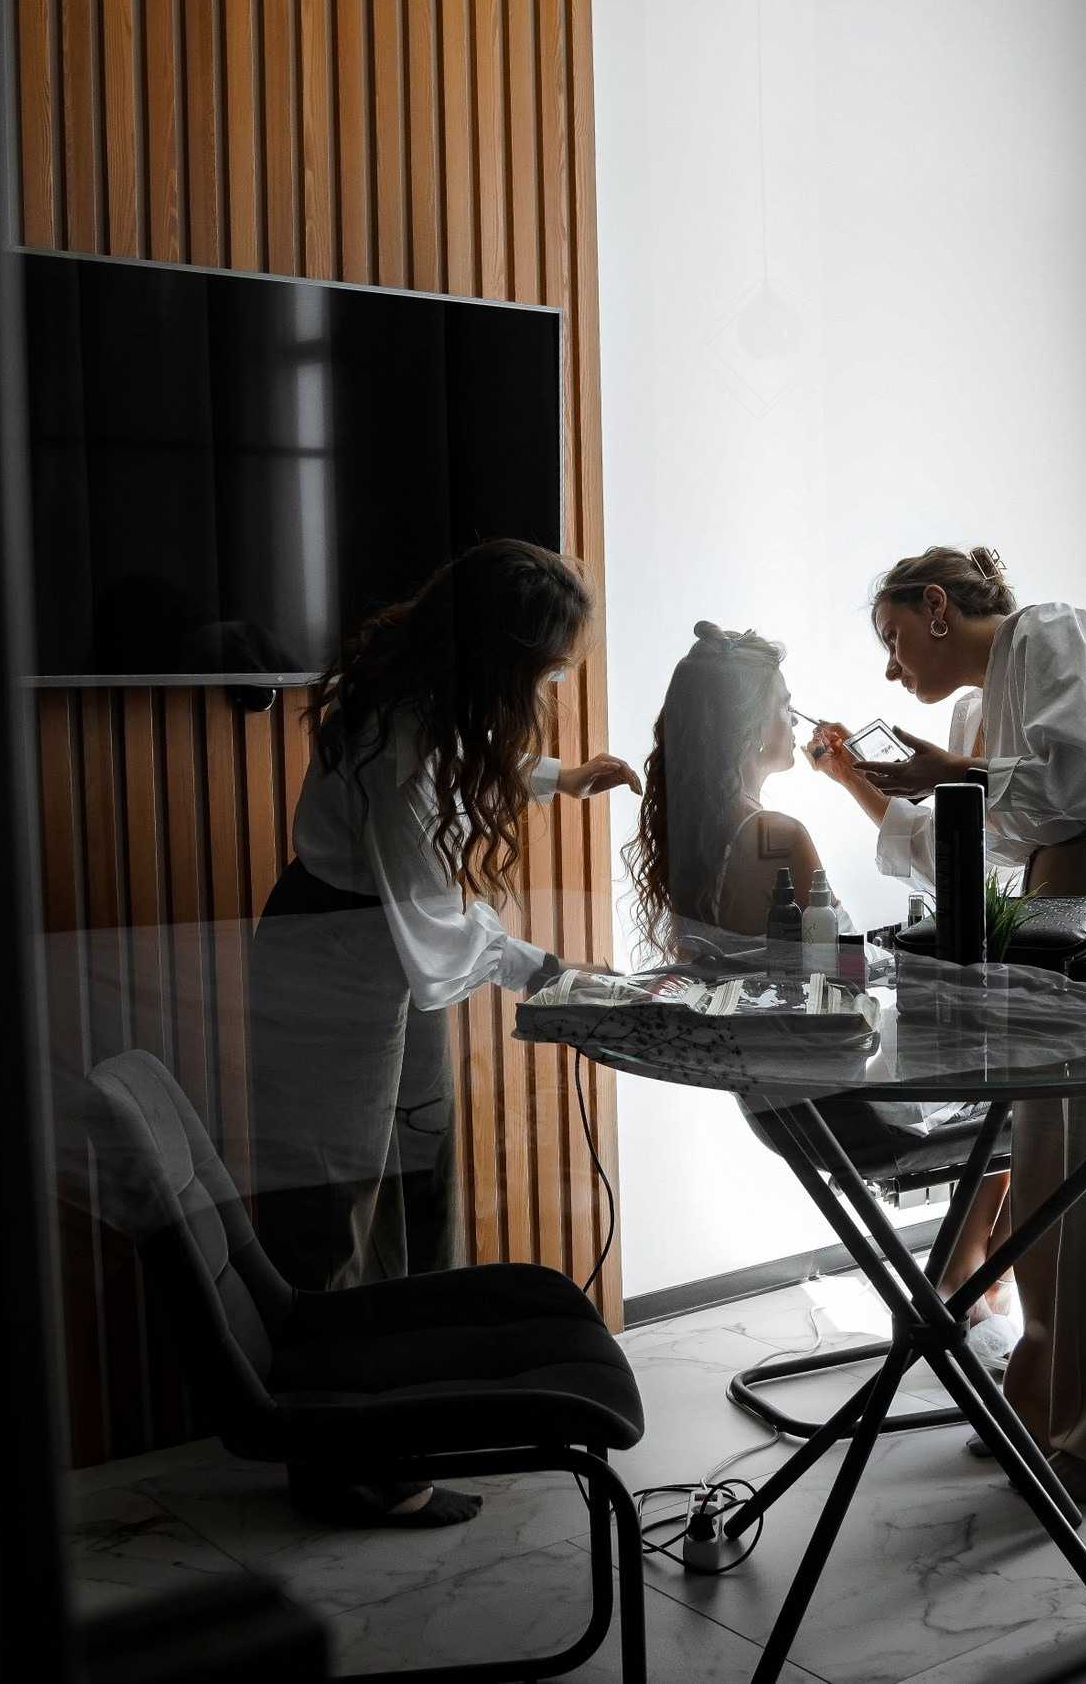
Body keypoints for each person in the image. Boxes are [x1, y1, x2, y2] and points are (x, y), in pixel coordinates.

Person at [245, 539, 636, 1527]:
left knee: (415, 1194)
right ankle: (341, 1470)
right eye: (542, 668)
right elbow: (428, 910)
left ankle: (397, 1429)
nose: (548, 682)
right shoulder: (392, 736)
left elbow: (468, 753)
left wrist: (562, 777)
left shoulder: (419, 695)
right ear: (494, 658)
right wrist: (547, 971)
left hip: (370, 955)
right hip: (335, 957)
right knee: (331, 1218)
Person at [808, 545, 1086, 1501]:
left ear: (937, 605)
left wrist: (960, 772)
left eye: (895, 638)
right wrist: (883, 781)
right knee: (1043, 1177)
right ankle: (1038, 1405)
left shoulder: (1054, 631)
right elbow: (975, 839)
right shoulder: (982, 708)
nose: (891, 670)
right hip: (1062, 900)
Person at [624, 622, 828, 958]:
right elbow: (844, 958)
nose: (795, 721)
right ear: (753, 725)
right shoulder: (780, 836)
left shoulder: (698, 824)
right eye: (786, 707)